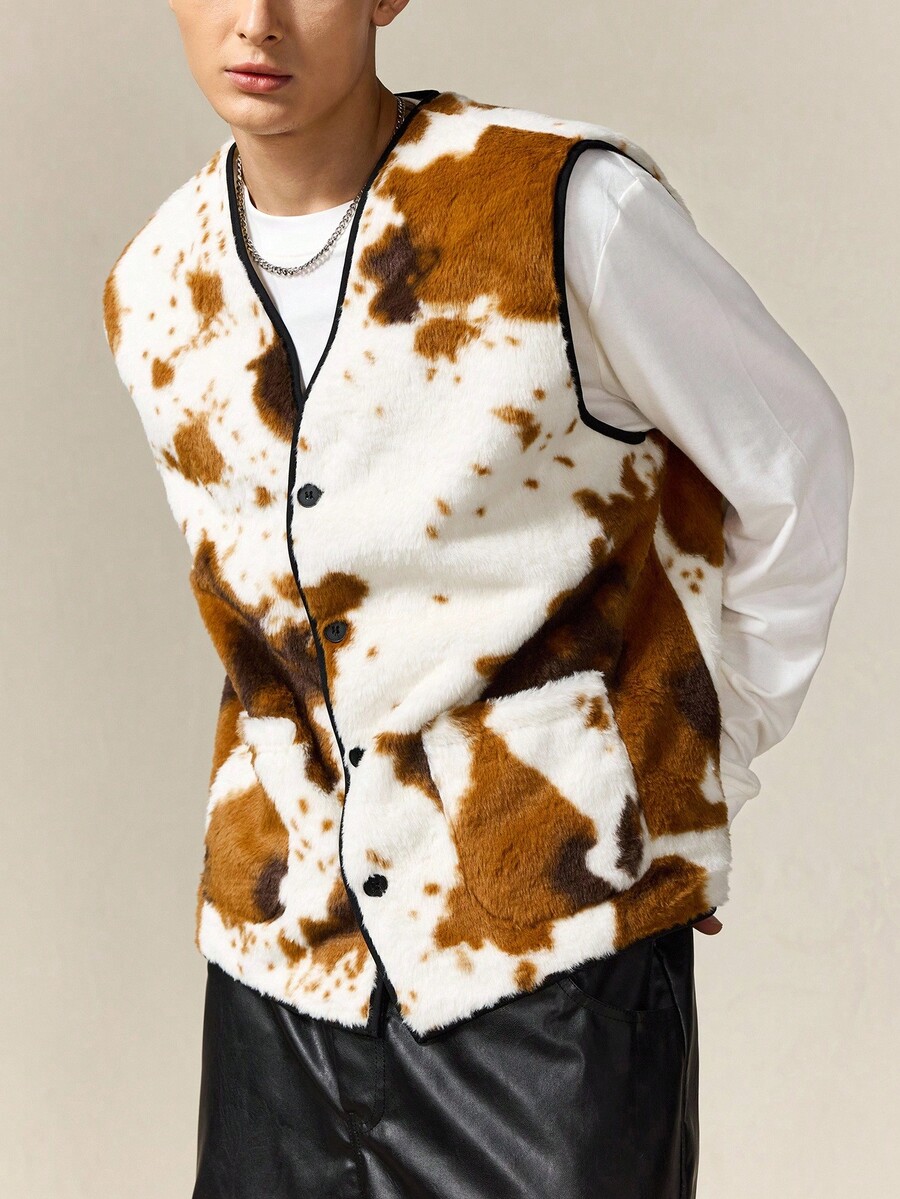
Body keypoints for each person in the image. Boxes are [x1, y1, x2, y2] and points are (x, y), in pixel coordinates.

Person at [101, 2, 854, 1196]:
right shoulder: (154, 287)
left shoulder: (561, 206)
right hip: (277, 975)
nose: (256, 21)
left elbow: (793, 461)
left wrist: (701, 764)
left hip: (547, 982)